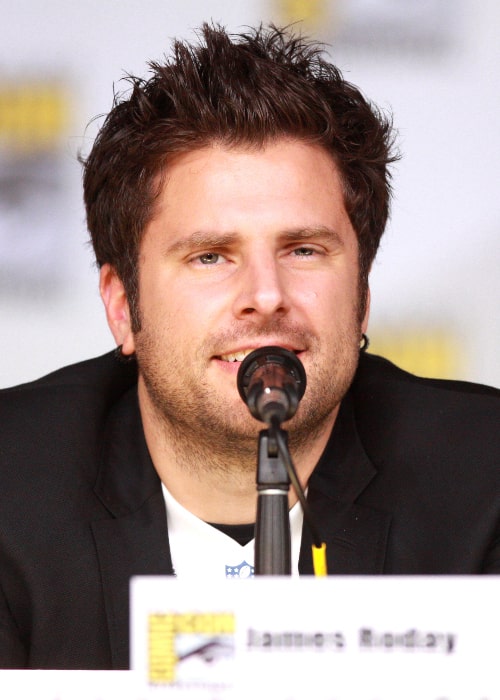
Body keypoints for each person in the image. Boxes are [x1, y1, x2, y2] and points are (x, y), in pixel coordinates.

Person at [0, 23, 499, 671]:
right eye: (210, 256)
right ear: (122, 307)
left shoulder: (485, 479)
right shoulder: (11, 487)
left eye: (303, 251)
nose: (265, 295)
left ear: (362, 299)